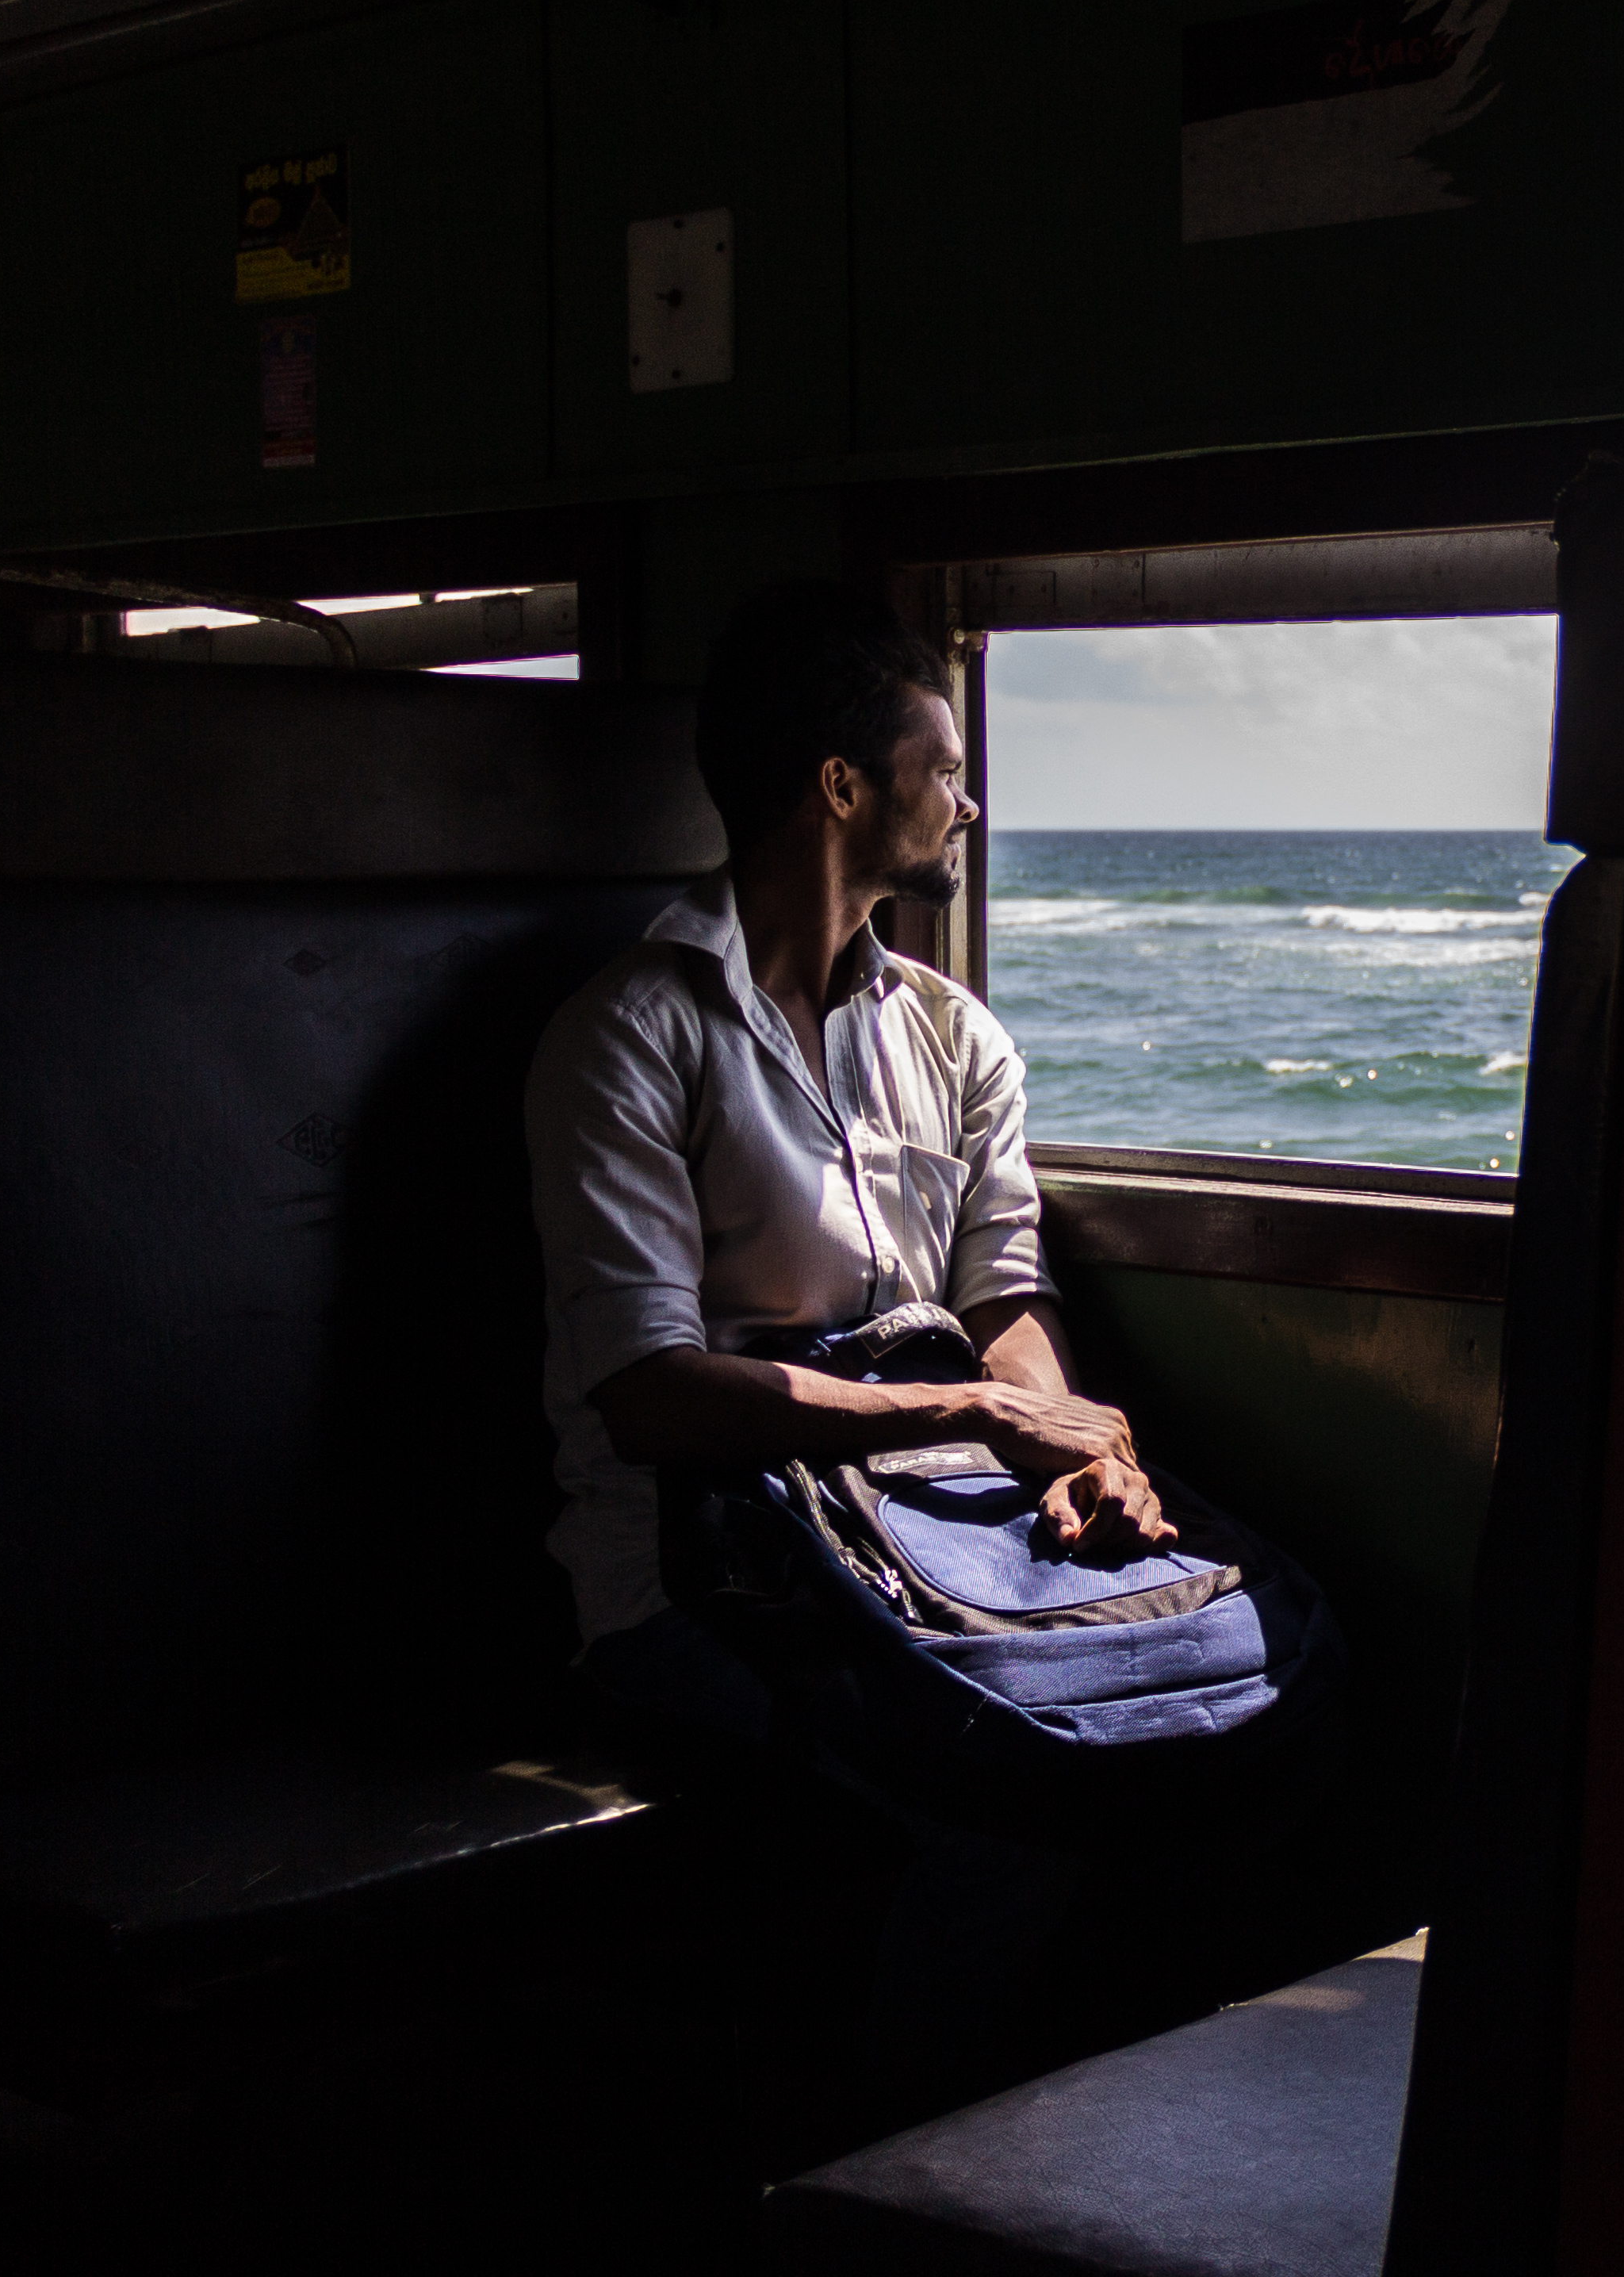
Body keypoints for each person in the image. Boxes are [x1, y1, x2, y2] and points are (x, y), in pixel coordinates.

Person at [523, 582, 1197, 2114]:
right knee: (1018, 1809)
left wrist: (1071, 1454)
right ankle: (886, 2178)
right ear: (842, 786)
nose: (970, 798)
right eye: (943, 765)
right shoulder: (633, 1035)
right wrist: (968, 1406)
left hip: (935, 1545)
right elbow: (647, 1399)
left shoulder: (956, 1038)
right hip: (697, 1586)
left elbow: (1006, 1296)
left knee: (1216, 1710)